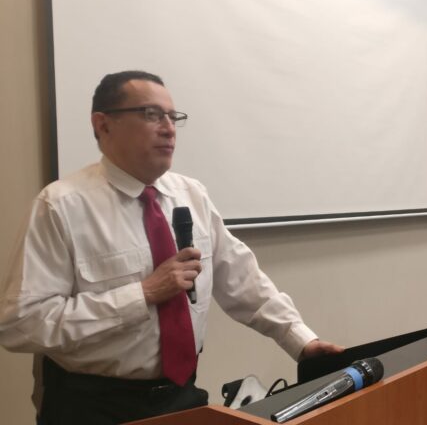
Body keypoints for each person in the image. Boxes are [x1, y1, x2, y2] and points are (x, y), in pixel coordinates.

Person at [0, 70, 343, 424]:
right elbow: (21, 324)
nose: (168, 128)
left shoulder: (191, 195)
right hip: (93, 405)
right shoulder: (61, 206)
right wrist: (143, 294)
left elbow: (244, 281)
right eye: (151, 114)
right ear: (103, 125)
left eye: (173, 116)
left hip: (181, 396)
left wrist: (300, 341)